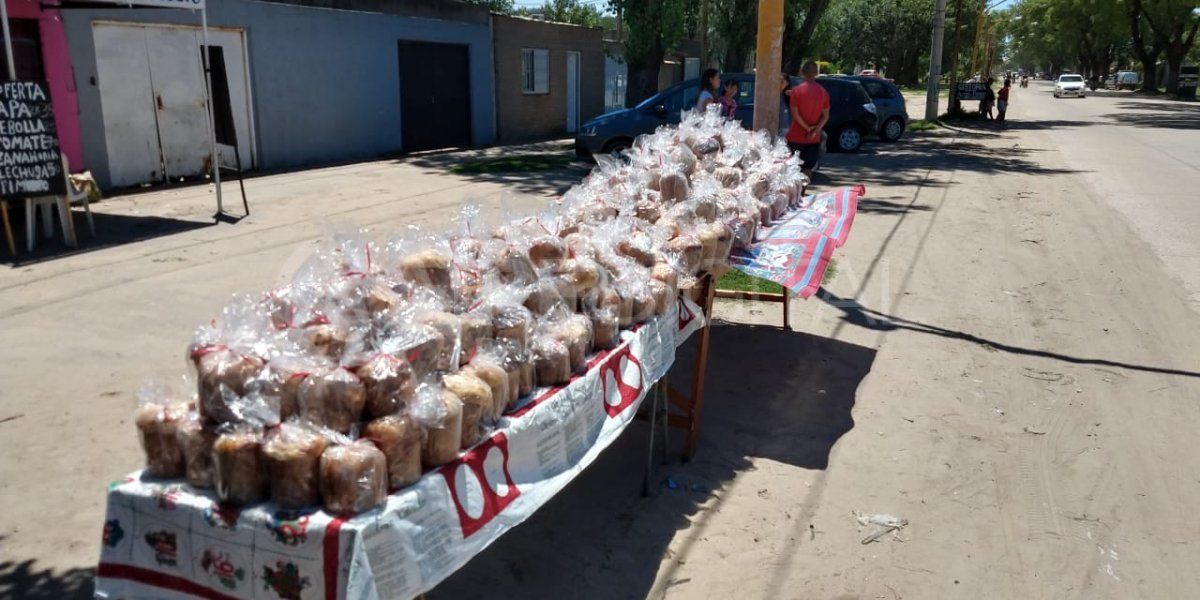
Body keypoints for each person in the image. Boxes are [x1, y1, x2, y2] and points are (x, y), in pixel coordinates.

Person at [785, 60, 830, 178]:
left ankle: (796, 195)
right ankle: (804, 193)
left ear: (802, 72)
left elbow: (795, 114)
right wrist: (815, 130)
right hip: (813, 139)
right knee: (808, 169)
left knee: (793, 169)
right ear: (816, 73)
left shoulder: (797, 91)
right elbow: (825, 116)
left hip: (796, 136)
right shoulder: (823, 92)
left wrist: (807, 128)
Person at [778, 73, 792, 137]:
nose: (779, 84)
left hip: (785, 128)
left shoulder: (789, 95)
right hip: (774, 127)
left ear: (787, 83)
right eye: (778, 81)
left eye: (782, 82)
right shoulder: (772, 95)